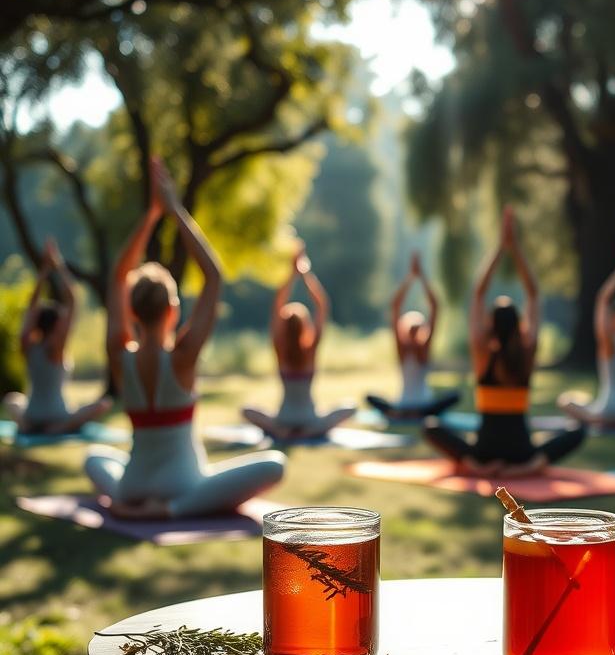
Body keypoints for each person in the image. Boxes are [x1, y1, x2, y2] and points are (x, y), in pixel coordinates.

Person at [84, 158, 284, 519]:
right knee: (274, 465)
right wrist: (174, 210)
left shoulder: (119, 353)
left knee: (94, 458)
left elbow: (118, 276)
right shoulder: (183, 356)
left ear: (132, 312)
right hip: (183, 484)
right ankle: (171, 510)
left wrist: (151, 216)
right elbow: (213, 276)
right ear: (172, 311)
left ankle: (126, 503)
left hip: (132, 483)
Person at [424, 206, 585, 475]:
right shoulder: (527, 352)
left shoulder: (482, 352)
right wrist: (516, 249)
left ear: (490, 325)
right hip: (521, 451)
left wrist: (500, 248)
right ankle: (529, 466)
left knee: (430, 426)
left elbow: (478, 293)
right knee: (577, 431)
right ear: (519, 324)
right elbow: (534, 294)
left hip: (485, 451)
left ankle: (475, 466)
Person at [241, 244, 355, 440]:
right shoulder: (310, 349)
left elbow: (277, 305)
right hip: (310, 418)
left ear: (283, 327)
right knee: (350, 407)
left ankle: (279, 431)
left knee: (247, 410)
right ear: (305, 326)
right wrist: (305, 274)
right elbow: (322, 305)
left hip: (283, 418)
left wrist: (291, 275)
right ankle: (312, 432)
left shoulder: (280, 348)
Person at [3, 239, 112, 434]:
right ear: (55, 326)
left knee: (12, 400)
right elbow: (73, 300)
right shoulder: (56, 347)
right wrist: (58, 264)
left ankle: (27, 426)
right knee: (102, 404)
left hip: (31, 414)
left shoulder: (28, 346)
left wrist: (44, 272)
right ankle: (57, 428)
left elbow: (31, 308)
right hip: (57, 415)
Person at [558, 240, 615, 427]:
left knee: (565, 401)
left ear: (613, 318)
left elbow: (603, 299)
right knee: (586, 401)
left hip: (610, 408)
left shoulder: (607, 339)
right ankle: (609, 419)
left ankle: (597, 419)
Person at [366, 252, 459, 419]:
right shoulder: (409, 349)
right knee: (370, 396)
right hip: (420, 406)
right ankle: (410, 412)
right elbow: (398, 306)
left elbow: (432, 307)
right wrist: (415, 276)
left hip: (409, 406)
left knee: (454, 395)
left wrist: (416, 276)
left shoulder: (416, 348)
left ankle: (402, 413)